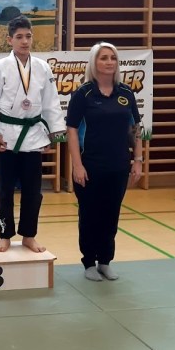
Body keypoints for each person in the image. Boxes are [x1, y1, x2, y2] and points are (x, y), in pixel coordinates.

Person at [0, 15, 65, 253]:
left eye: (28, 36)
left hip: (33, 135)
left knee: (33, 191)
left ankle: (29, 235)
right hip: (7, 136)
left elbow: (51, 102)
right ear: (9, 40)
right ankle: (5, 235)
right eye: (19, 37)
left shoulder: (42, 67)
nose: (24, 41)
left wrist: (53, 133)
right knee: (5, 191)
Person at [66, 41, 143, 281]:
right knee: (90, 215)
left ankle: (105, 261)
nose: (109, 62)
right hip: (90, 166)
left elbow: (135, 128)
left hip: (118, 166)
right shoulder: (83, 93)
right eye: (103, 57)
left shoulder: (126, 93)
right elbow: (71, 130)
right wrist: (77, 165)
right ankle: (89, 262)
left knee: (111, 214)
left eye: (112, 58)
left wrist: (138, 159)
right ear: (94, 62)